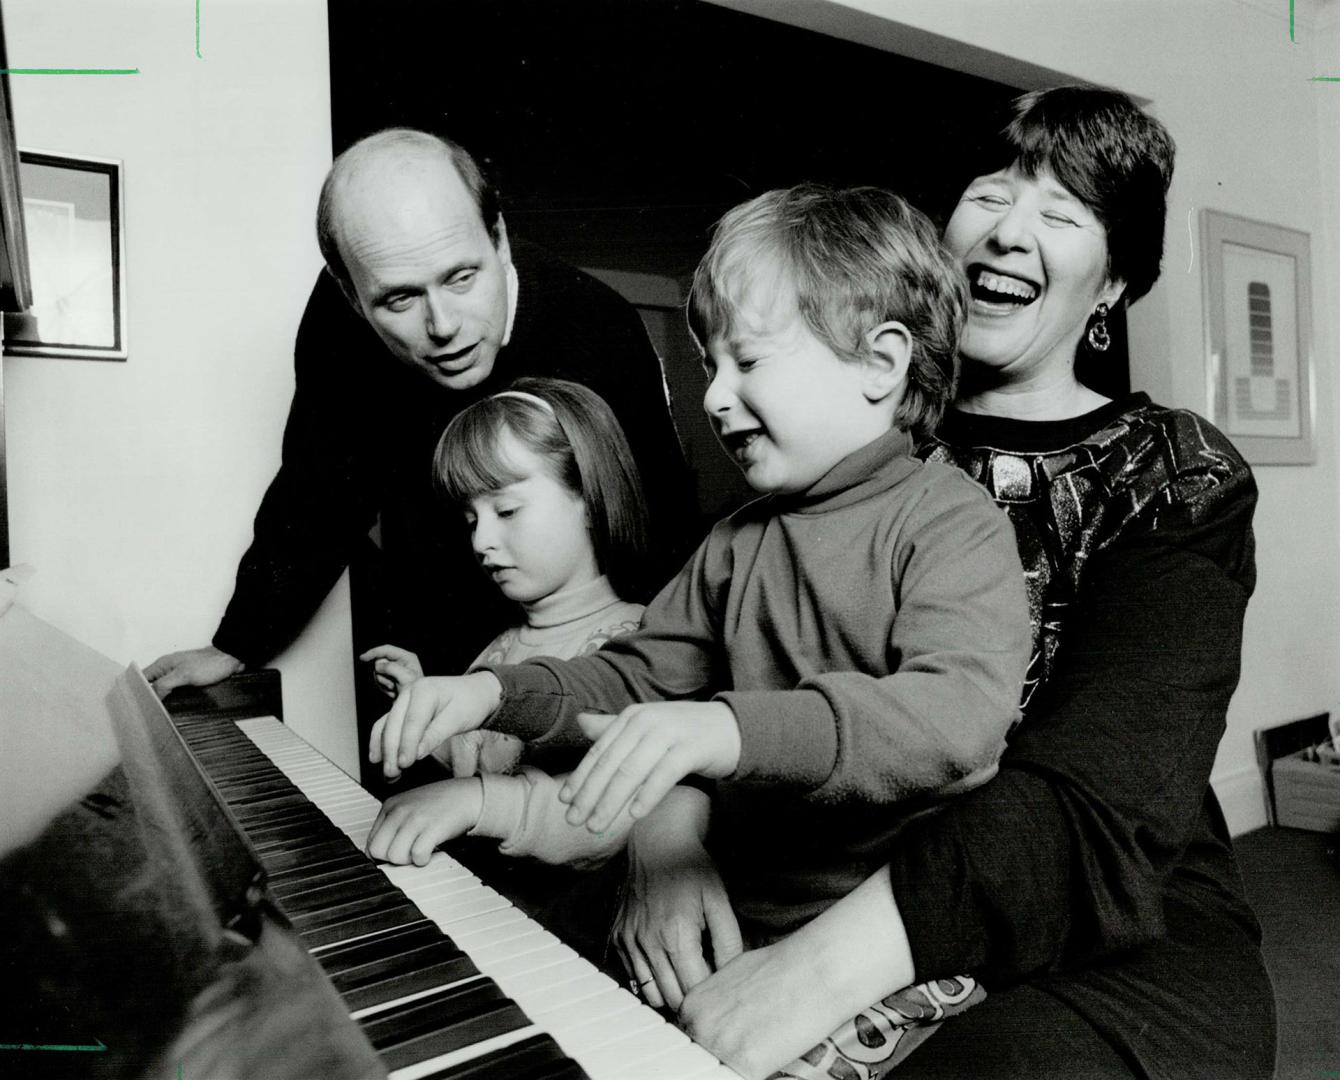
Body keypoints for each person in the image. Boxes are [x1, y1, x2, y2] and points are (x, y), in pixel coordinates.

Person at [661, 85, 1275, 1080]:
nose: (1007, 235)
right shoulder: (826, 418)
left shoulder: (1178, 476)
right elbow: (696, 650)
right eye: (989, 196)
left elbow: (1098, 791)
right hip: (822, 864)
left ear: (1111, 284)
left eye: (1061, 214)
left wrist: (806, 979)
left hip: (1105, 902)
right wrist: (662, 831)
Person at [366, 186, 1033, 970]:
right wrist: (493, 695)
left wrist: (725, 729)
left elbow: (954, 718)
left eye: (746, 360)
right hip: (742, 911)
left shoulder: (949, 522)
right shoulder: (734, 543)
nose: (715, 396)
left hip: (886, 939)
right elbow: (636, 677)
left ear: (880, 364)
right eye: (712, 365)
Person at [144, 129, 696, 715]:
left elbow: (660, 520)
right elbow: (316, 492)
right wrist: (238, 643)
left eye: (462, 277)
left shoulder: (601, 329)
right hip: (438, 634)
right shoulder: (339, 323)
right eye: (400, 300)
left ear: (500, 239)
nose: (443, 325)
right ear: (351, 295)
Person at [362, 377, 650, 869]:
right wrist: (423, 704)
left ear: (588, 497)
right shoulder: (501, 647)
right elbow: (478, 758)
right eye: (472, 519)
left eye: (507, 509)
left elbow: (618, 815)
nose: (480, 542)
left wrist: (478, 800)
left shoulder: (636, 646)